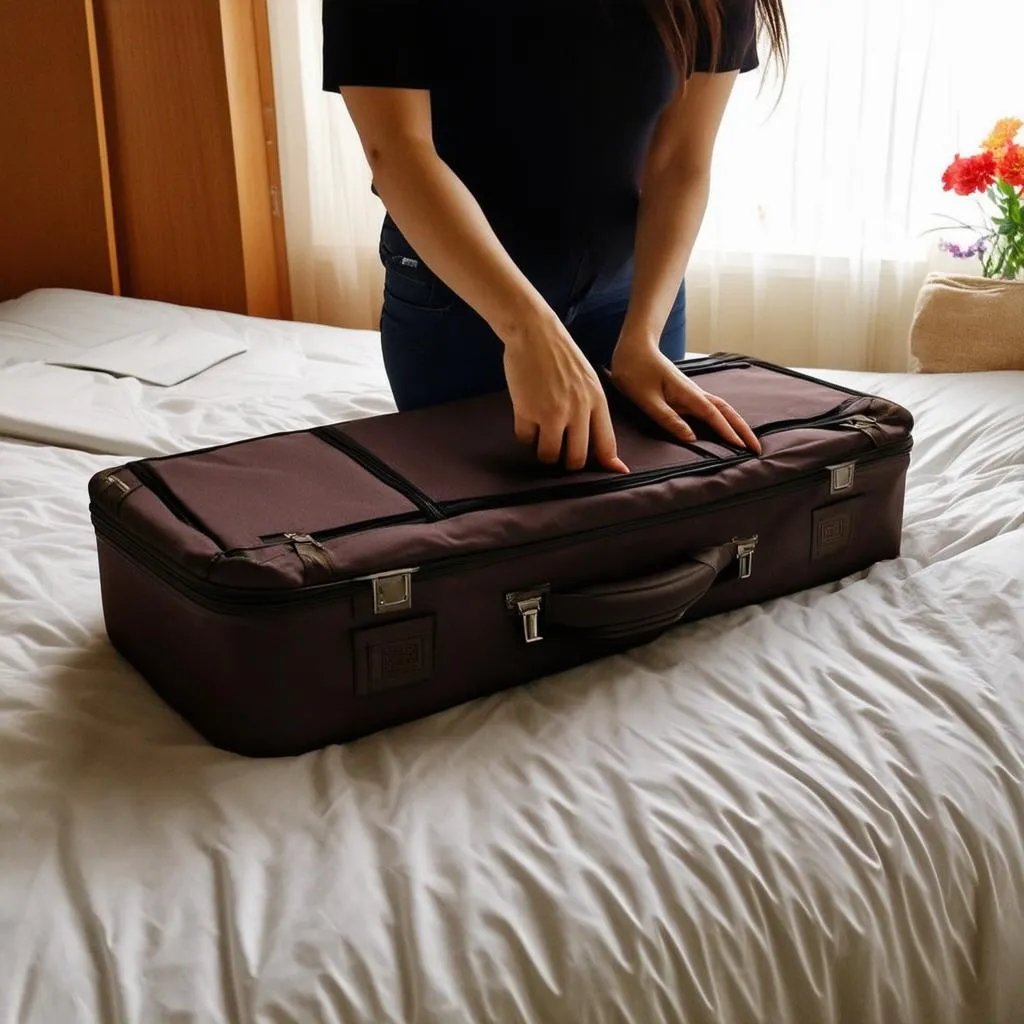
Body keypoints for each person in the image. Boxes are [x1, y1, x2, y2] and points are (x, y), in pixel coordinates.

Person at [322, 0, 787, 473]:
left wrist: (643, 335)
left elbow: (680, 161)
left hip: (633, 299)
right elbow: (399, 149)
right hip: (460, 300)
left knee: (643, 519)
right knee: (484, 528)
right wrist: (526, 327)